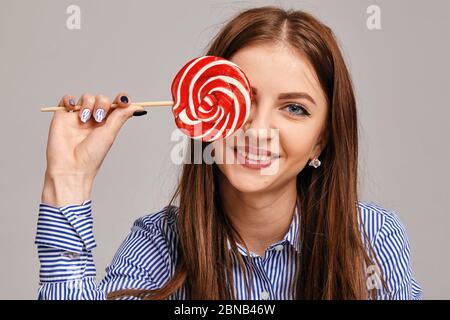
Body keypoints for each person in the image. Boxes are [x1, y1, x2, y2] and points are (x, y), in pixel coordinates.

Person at [36, 6, 422, 300]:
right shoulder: (160, 245)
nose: (256, 130)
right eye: (243, 99)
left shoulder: (370, 240)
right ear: (204, 111)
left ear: (321, 142)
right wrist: (69, 181)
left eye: (295, 109)